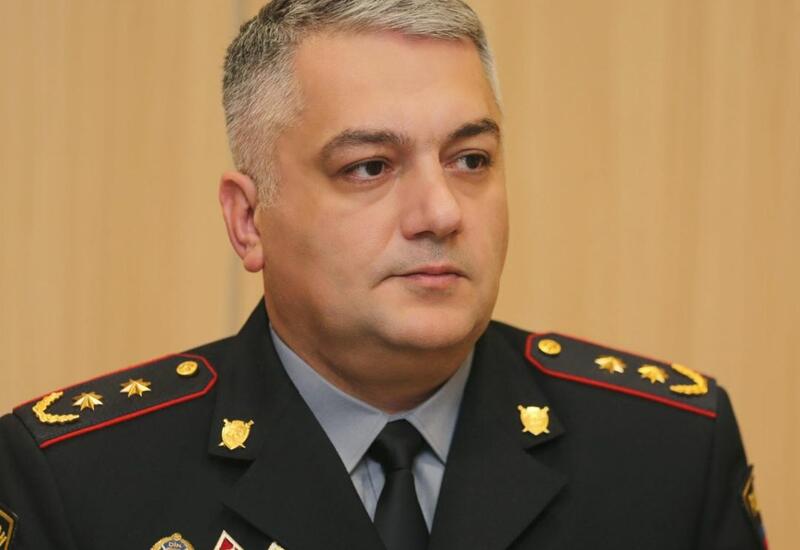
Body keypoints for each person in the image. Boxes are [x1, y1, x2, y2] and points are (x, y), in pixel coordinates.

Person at [0, 1, 766, 549]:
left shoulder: (667, 452)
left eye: (471, 160)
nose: (441, 211)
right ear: (249, 220)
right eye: (370, 167)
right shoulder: (79, 482)